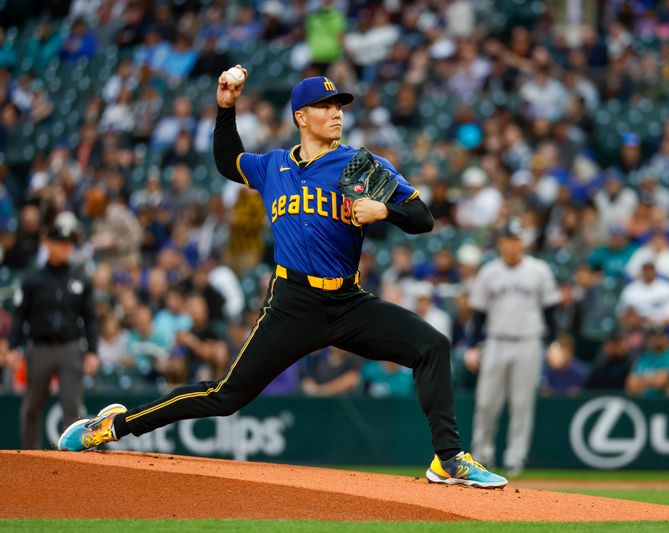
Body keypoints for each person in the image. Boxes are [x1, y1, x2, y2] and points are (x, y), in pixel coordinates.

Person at [58, 70, 506, 488]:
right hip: (293, 302)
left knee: (433, 345)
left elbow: (424, 217)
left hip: (349, 302)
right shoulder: (274, 166)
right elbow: (227, 160)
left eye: (340, 106)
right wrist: (225, 108)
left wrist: (385, 209)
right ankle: (111, 427)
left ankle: (448, 459)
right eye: (326, 106)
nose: (336, 113)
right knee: (224, 396)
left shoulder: (360, 166)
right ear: (301, 117)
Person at [464, 218, 561, 477]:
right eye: (509, 239)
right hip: (495, 340)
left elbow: (550, 311)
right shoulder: (489, 271)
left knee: (521, 404)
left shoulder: (539, 270)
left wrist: (553, 343)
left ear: (524, 242)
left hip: (529, 341)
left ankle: (515, 458)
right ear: (501, 242)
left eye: (517, 239)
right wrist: (473, 346)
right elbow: (478, 315)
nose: (513, 244)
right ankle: (482, 456)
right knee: (486, 402)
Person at [10, 220, 98, 449]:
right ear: (48, 244)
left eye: (69, 244)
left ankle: (72, 459)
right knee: (32, 405)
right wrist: (12, 347)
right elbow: (19, 315)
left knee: (72, 406)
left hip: (70, 347)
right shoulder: (33, 278)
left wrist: (92, 351)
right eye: (60, 243)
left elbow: (90, 317)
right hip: (40, 348)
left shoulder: (79, 277)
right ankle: (30, 455)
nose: (65, 248)